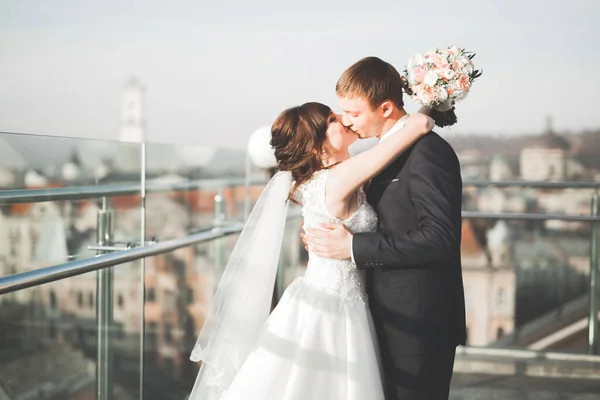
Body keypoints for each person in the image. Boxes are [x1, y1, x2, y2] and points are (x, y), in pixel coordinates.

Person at [188, 100, 434, 400]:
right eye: (332, 119)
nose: (344, 118)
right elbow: (417, 128)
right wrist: (434, 95)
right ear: (318, 146)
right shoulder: (340, 177)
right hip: (335, 309)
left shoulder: (332, 177)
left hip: (330, 296)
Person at [304, 56, 467, 400]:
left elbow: (440, 238)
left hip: (419, 323)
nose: (347, 122)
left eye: (354, 113)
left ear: (387, 108)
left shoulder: (427, 153)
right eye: (342, 112)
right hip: (384, 314)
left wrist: (352, 248)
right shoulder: (388, 150)